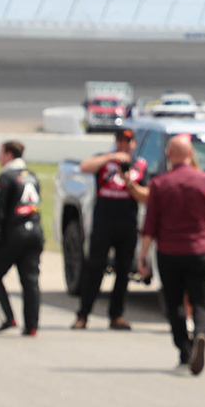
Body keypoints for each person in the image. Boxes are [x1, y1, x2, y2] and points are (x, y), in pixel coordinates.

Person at [137, 134, 205, 374]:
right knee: (202, 301)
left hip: (169, 252)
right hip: (199, 250)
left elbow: (149, 226)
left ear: (168, 155)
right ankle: (201, 333)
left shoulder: (159, 183)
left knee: (174, 302)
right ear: (190, 154)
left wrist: (143, 257)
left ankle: (185, 351)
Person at [72, 128, 147, 330]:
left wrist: (129, 183)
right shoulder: (104, 160)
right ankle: (83, 314)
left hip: (127, 222)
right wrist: (112, 157)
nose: (124, 144)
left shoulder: (140, 165)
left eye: (128, 141)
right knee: (94, 267)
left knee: (123, 271)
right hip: (104, 221)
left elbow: (145, 195)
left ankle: (116, 315)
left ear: (134, 143)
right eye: (120, 140)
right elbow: (84, 166)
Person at [0, 140, 44, 336]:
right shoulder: (32, 176)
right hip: (35, 231)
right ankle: (32, 326)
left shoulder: (6, 177)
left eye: (1, 154)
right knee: (30, 281)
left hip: (15, 233)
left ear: (9, 155)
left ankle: (8, 317)